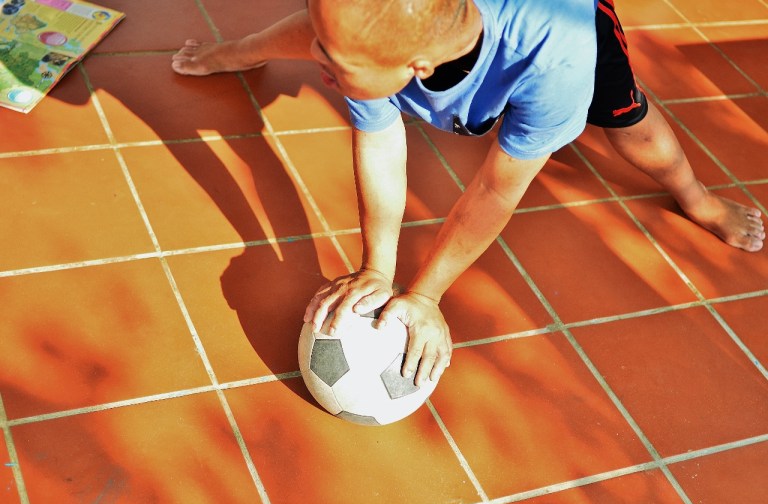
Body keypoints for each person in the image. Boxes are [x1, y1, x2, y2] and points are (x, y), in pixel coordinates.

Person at [172, 0, 765, 387]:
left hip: (563, 21)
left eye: (331, 58)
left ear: (417, 65)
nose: (315, 58)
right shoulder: (369, 38)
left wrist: (425, 295)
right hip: (394, 32)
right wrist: (376, 268)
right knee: (329, 30)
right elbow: (379, 140)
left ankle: (698, 198)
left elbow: (493, 190)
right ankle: (237, 50)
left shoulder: (555, 65)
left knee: (626, 123)